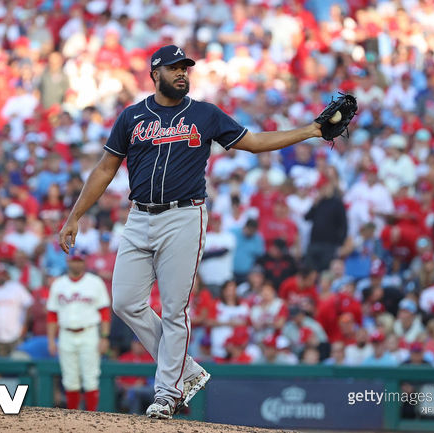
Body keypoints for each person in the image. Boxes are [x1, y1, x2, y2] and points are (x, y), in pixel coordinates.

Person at [58, 44, 322, 419]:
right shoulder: (132, 116)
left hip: (184, 216)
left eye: (186, 68)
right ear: (155, 73)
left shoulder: (204, 114)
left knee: (174, 308)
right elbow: (105, 168)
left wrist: (311, 129)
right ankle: (188, 370)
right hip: (139, 216)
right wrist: (75, 215)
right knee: (124, 302)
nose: (182, 73)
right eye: (174, 68)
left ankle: (168, 392)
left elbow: (255, 143)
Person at [46, 250, 111, 411]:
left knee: (90, 378)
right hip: (66, 334)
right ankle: (73, 420)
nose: (77, 263)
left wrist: (104, 337)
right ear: (68, 261)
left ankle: (91, 420)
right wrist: (51, 340)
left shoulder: (95, 282)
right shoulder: (58, 284)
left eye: (80, 260)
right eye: (74, 260)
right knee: (70, 380)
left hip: (89, 333)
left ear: (85, 262)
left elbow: (104, 312)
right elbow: (52, 315)